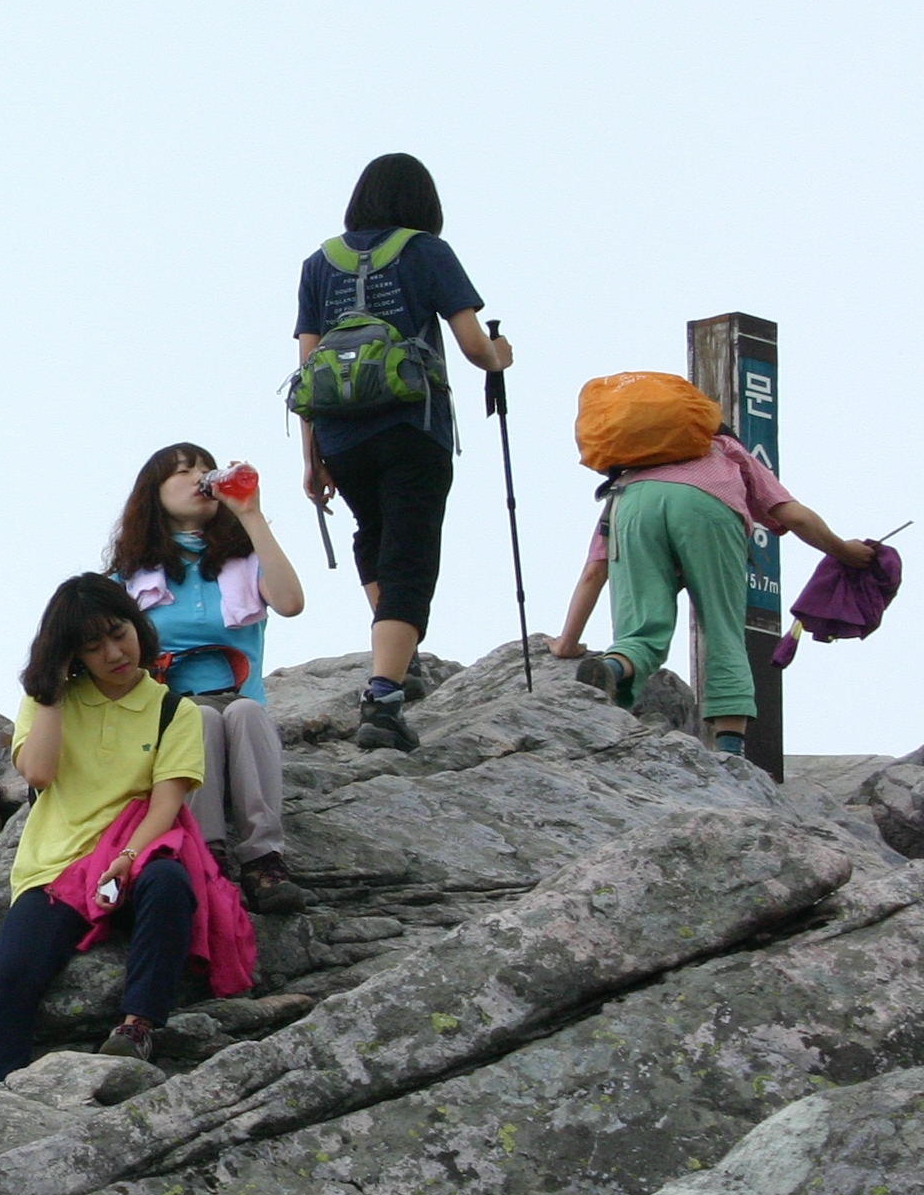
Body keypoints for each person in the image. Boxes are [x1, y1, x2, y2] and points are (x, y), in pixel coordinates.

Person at [0, 575, 253, 1086]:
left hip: (134, 856)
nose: (113, 653)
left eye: (118, 632)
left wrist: (127, 857)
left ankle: (137, 1025)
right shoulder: (47, 701)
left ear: (137, 624)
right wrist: (53, 690)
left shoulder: (176, 710)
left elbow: (165, 805)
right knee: (11, 976)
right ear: (71, 654)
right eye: (91, 645)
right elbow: (37, 774)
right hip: (55, 868)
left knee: (169, 884)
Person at [294, 153, 513, 753]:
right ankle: (384, 696)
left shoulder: (320, 263)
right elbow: (473, 346)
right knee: (412, 554)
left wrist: (312, 459)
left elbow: (308, 368)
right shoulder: (425, 251)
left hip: (340, 431)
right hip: (412, 425)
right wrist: (503, 357)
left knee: (374, 532)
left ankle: (397, 653)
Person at [548, 432, 874, 758]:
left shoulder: (628, 481)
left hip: (634, 509)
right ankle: (730, 753)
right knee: (723, 630)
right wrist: (844, 551)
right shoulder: (723, 449)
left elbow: (594, 573)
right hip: (708, 507)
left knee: (641, 630)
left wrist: (567, 643)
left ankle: (612, 668)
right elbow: (795, 516)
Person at [112, 446, 314, 914]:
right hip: (169, 710)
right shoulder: (132, 575)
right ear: (154, 494)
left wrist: (251, 515)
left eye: (206, 470)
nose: (201, 479)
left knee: (245, 712)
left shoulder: (241, 560)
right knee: (197, 715)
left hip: (242, 699)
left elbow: (290, 602)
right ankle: (209, 854)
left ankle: (265, 859)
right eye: (184, 473)